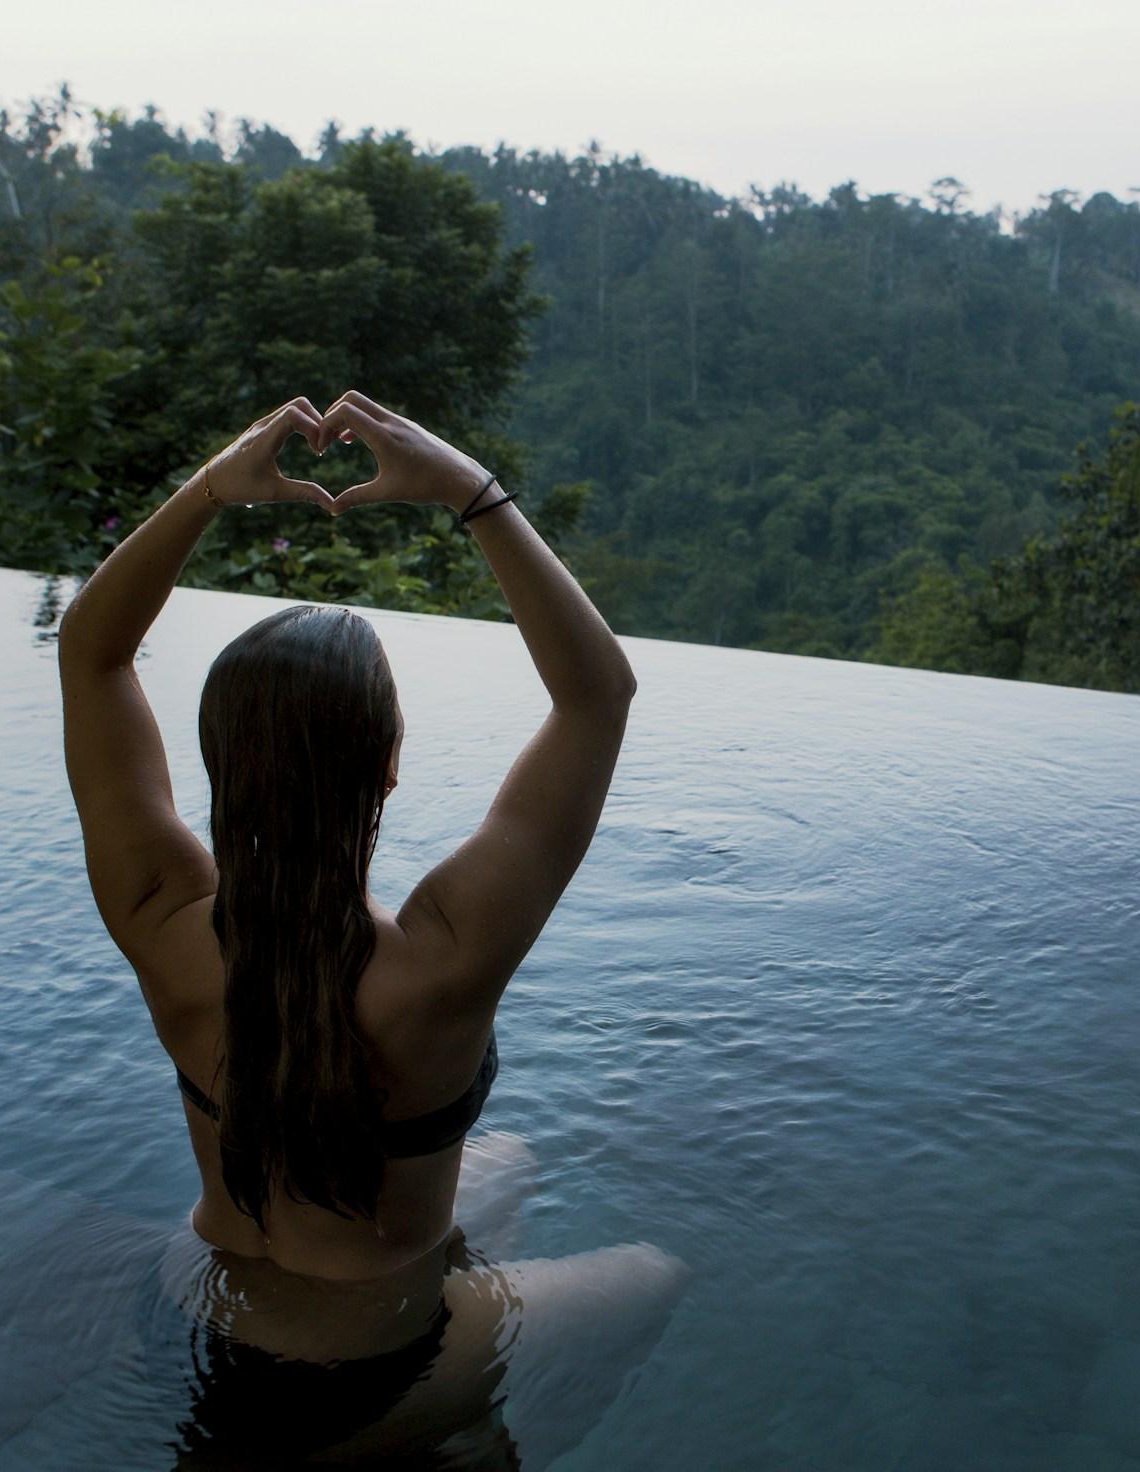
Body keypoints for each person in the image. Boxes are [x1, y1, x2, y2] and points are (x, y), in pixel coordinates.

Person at [58, 392, 688, 1467]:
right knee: (655, 1273)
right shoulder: (442, 955)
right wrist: (468, 489)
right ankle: (416, 1435)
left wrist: (213, 486)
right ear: (388, 766)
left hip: (194, 1300)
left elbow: (92, 652)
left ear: (219, 766)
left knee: (512, 1160)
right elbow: (597, 696)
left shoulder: (161, 917)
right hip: (368, 1364)